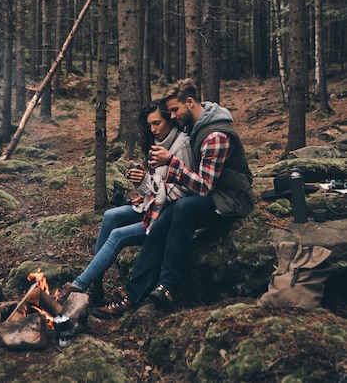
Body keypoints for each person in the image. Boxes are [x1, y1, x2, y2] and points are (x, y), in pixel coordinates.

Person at [91, 78, 253, 319]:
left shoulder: (215, 135)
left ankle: (167, 285)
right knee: (157, 230)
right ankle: (133, 297)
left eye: (175, 110)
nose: (173, 116)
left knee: (183, 208)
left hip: (230, 198)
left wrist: (171, 163)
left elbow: (204, 187)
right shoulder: (197, 123)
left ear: (190, 102)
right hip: (210, 193)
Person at [57, 99, 193, 305]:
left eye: (157, 123)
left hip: (168, 213)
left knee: (118, 235)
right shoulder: (158, 144)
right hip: (154, 205)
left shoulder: (181, 145)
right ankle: (97, 285)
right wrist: (140, 180)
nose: (153, 129)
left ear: (170, 120)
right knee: (110, 215)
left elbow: (182, 191)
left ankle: (79, 284)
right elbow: (155, 187)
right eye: (149, 125)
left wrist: (146, 181)